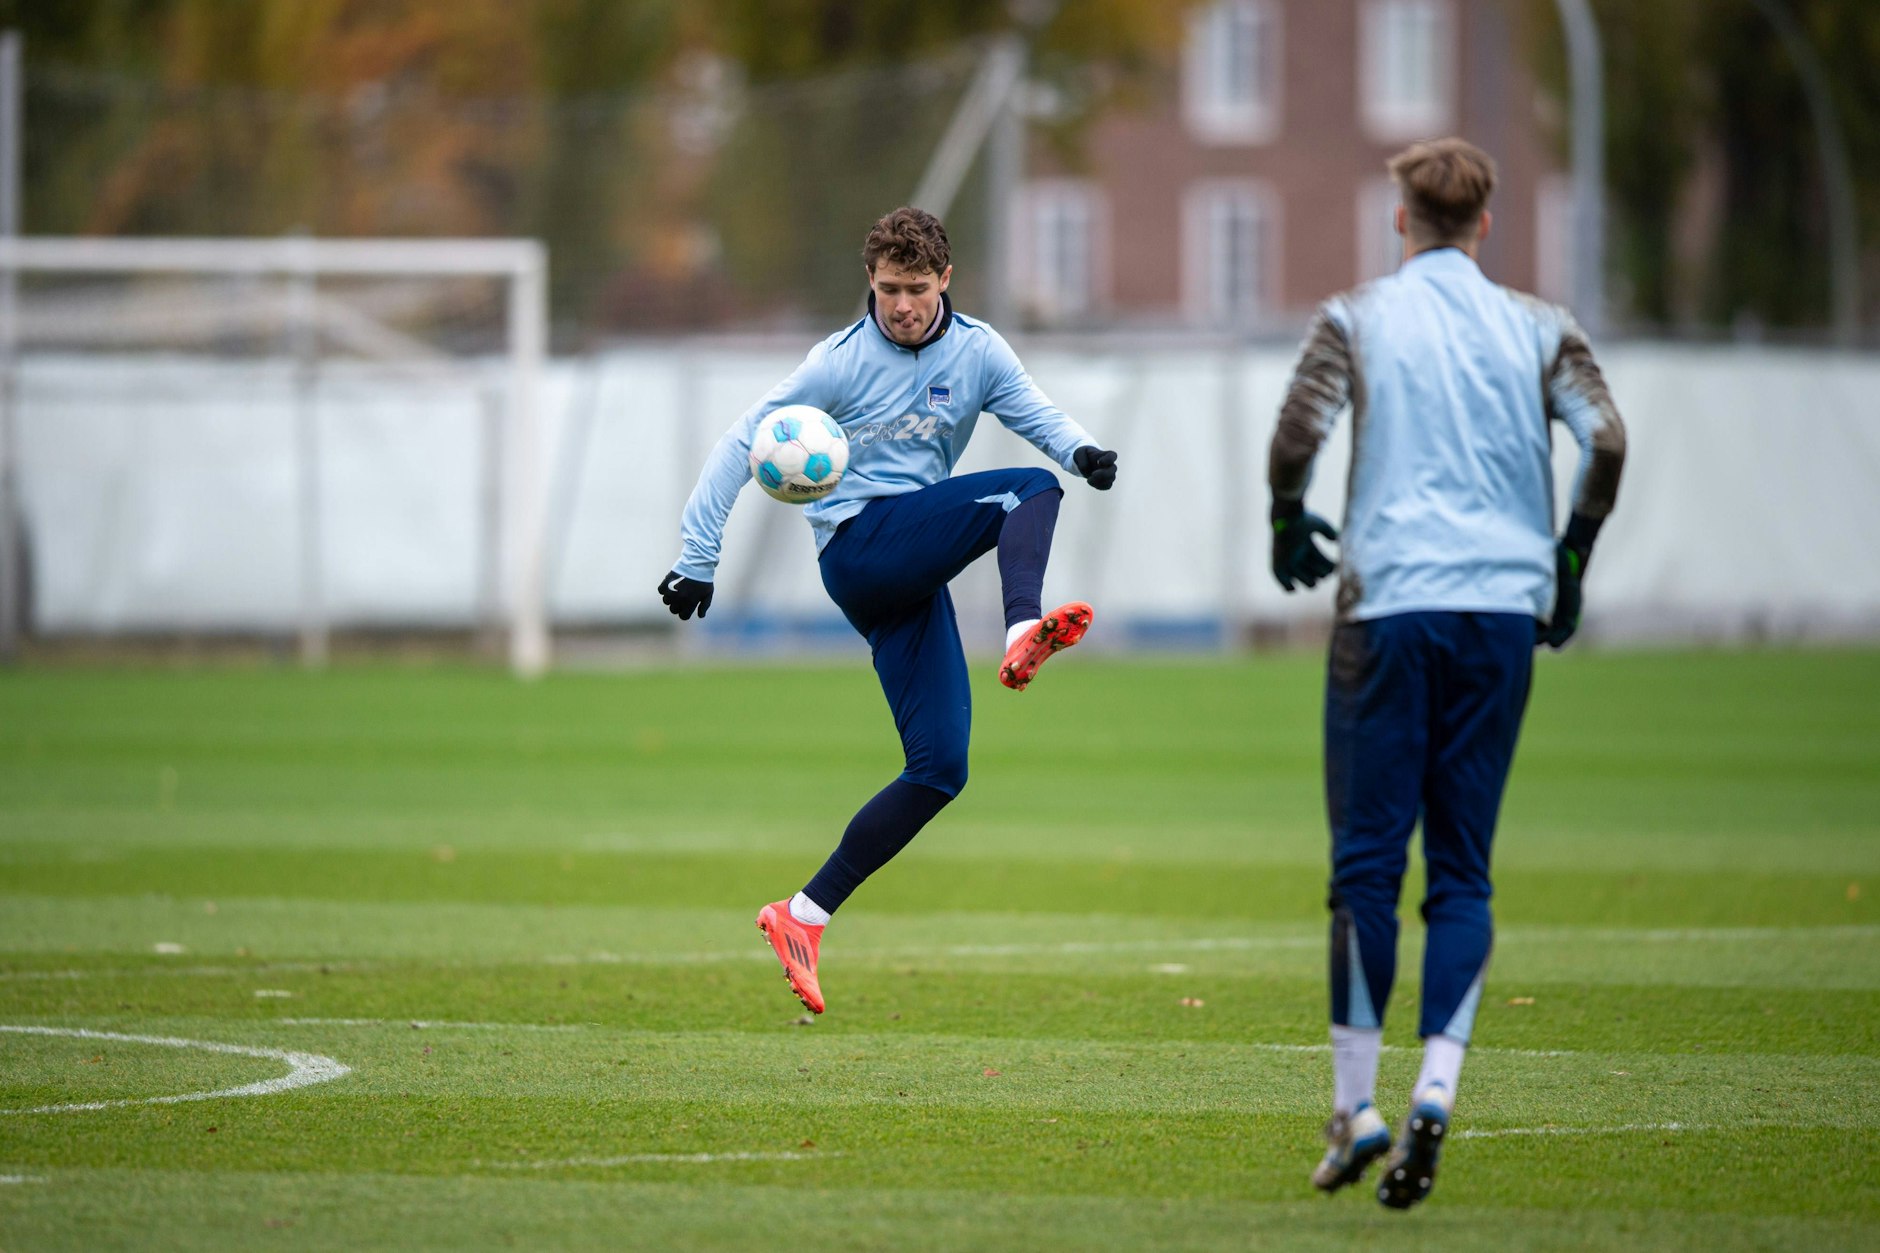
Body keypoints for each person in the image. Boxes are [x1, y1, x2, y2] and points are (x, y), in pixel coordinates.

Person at [1267, 139, 1626, 1208]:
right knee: (1461, 870)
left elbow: (1296, 434)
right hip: (1499, 612)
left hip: (1386, 607)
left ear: (1398, 218)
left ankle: (1354, 1106)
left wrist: (1286, 516)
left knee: (1365, 865)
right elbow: (1604, 440)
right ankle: (1434, 1087)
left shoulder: (1354, 316)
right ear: (1482, 222)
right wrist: (1568, 557)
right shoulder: (1537, 325)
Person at [657, 206, 1119, 1016]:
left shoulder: (978, 349)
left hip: (912, 569)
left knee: (941, 767)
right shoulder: (837, 361)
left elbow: (1031, 408)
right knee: (1029, 487)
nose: (900, 304)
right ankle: (1020, 630)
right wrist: (697, 557)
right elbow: (741, 440)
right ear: (868, 285)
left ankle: (802, 913)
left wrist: (1081, 447)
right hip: (860, 550)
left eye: (914, 288)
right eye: (886, 289)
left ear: (946, 280)